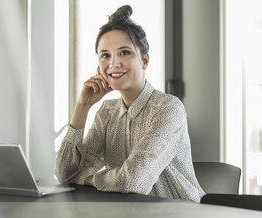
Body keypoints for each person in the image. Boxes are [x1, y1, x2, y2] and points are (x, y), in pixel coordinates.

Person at [55, 5, 204, 202]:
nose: (114, 64)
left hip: (181, 217)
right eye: (105, 55)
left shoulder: (168, 109)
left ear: (145, 60)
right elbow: (66, 174)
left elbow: (132, 181)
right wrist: (82, 106)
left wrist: (90, 179)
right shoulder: (107, 112)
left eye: (124, 53)